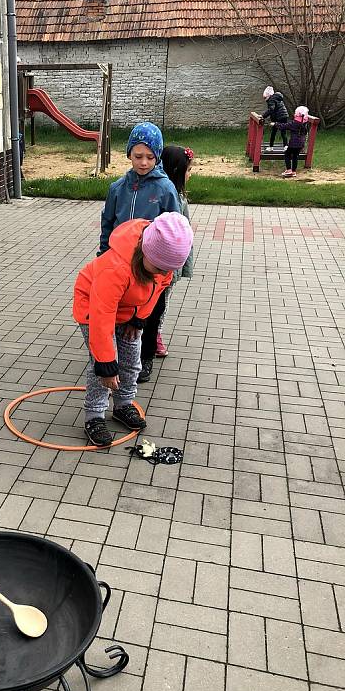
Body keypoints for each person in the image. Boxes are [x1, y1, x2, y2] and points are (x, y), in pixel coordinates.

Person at [73, 212, 194, 447]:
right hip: (93, 306)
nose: (161, 273)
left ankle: (123, 404)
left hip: (129, 309)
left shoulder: (162, 266)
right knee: (105, 367)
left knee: (132, 360)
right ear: (145, 251)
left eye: (167, 269)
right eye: (158, 267)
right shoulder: (116, 267)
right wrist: (106, 363)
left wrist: (139, 318)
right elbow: (102, 316)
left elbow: (158, 289)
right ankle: (94, 416)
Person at [98, 122, 180, 254]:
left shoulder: (166, 189)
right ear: (129, 154)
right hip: (118, 258)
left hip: (150, 262)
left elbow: (176, 230)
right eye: (138, 156)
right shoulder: (117, 188)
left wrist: (171, 269)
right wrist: (103, 255)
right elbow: (107, 224)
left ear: (157, 158)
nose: (143, 163)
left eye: (150, 157)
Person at [154, 145, 195, 357]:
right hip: (155, 261)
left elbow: (185, 233)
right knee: (151, 301)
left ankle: (156, 334)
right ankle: (145, 334)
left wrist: (184, 263)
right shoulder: (161, 195)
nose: (190, 174)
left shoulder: (181, 199)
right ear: (177, 171)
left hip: (170, 265)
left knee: (163, 300)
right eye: (188, 170)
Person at [272, 106, 309, 178]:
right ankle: (294, 171)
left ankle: (289, 170)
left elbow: (284, 126)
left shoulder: (295, 123)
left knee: (287, 154)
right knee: (295, 156)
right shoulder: (305, 124)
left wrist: (275, 124)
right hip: (301, 143)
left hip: (293, 143)